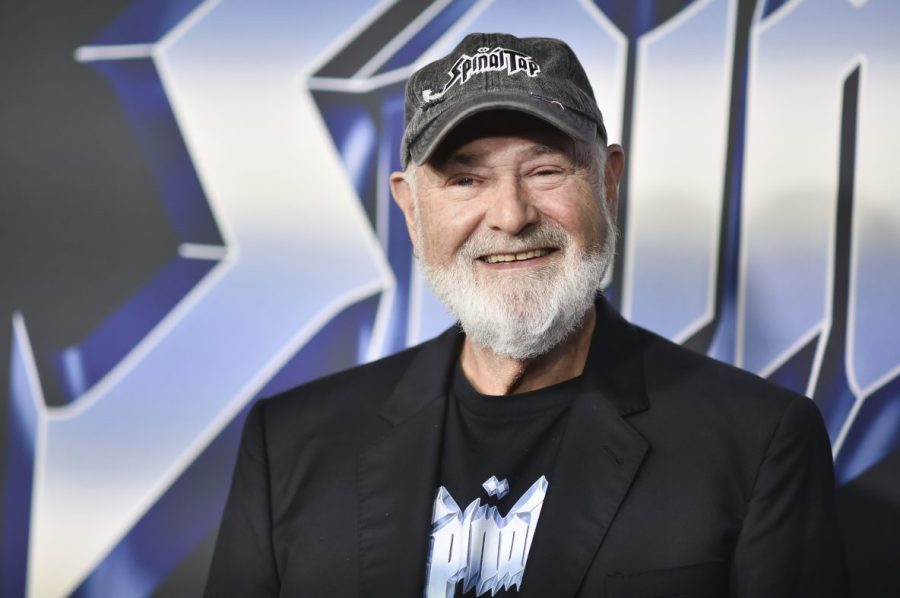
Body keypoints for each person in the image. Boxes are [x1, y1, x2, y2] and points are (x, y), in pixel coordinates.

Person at [204, 32, 847, 597]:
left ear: (608, 183)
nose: (511, 216)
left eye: (545, 170)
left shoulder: (757, 443)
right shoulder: (290, 445)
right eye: (465, 180)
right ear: (410, 209)